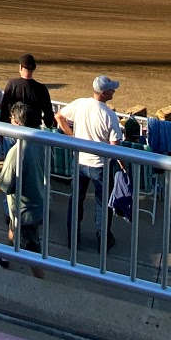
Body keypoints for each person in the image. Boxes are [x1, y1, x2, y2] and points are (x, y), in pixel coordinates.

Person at [57, 75, 125, 249]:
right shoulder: (109, 115)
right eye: (111, 89)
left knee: (76, 200)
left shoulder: (80, 104)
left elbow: (59, 116)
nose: (114, 91)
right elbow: (115, 146)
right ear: (103, 93)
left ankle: (72, 237)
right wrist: (124, 168)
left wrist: (72, 137)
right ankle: (103, 240)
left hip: (80, 161)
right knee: (102, 205)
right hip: (99, 166)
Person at [0, 100, 48, 277]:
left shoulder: (17, 150)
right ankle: (5, 257)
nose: (9, 121)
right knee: (13, 230)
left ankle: (42, 284)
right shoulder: (40, 139)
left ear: (18, 123)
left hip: (26, 210)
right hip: (36, 202)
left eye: (11, 118)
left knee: (32, 252)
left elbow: (2, 184)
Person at [0, 54, 56, 130]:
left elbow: (5, 107)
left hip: (15, 127)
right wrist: (48, 124)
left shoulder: (12, 84)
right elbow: (48, 111)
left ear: (20, 67)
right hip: (34, 129)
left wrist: (2, 124)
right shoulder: (41, 88)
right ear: (34, 69)